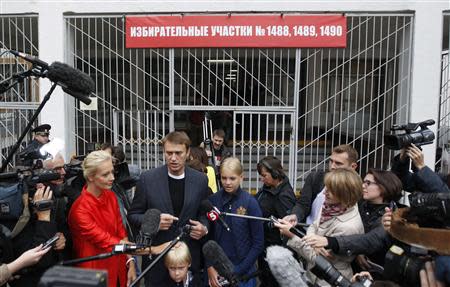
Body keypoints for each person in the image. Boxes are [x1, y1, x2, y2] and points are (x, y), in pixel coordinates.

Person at [128, 131, 210, 287]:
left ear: (187, 153)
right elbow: (133, 215)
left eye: (178, 153)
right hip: (157, 262)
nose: (173, 158)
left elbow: (204, 213)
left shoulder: (200, 180)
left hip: (188, 260)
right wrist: (154, 223)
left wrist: (204, 228)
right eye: (169, 153)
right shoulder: (147, 179)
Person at [301, 169, 403, 273]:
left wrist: (330, 242)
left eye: (368, 183)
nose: (363, 186)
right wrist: (357, 252)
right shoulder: (358, 203)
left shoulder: (391, 216)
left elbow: (372, 240)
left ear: (384, 187)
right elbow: (315, 225)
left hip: (374, 272)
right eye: (364, 182)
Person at [275, 168, 364, 286]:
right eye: (326, 187)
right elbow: (314, 225)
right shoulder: (331, 206)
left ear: (346, 194)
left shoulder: (349, 226)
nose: (325, 192)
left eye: (332, 190)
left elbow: (321, 259)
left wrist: (291, 235)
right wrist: (314, 242)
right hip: (315, 274)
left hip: (330, 280)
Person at [68, 150, 136, 287]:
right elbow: (105, 239)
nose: (112, 178)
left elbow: (121, 232)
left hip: (118, 267)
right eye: (105, 174)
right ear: (91, 177)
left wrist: (130, 262)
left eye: (112, 172)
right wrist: (142, 249)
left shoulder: (110, 196)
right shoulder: (80, 209)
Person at [207, 157, 264, 287]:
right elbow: (207, 239)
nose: (227, 182)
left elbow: (258, 243)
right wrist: (210, 267)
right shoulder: (213, 201)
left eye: (232, 178)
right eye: (224, 178)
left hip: (244, 271)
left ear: (241, 177)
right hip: (217, 270)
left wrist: (238, 270)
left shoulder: (250, 203)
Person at [284, 144, 358, 225]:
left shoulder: (358, 189)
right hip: (308, 230)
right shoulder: (316, 178)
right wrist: (295, 215)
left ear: (353, 166)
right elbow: (303, 203)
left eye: (338, 163)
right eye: (331, 161)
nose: (332, 166)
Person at [255, 156, 296, 287]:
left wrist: (269, 224)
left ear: (275, 173)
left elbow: (287, 227)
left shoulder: (284, 196)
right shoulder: (268, 188)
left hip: (274, 250)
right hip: (264, 245)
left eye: (264, 175)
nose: (262, 179)